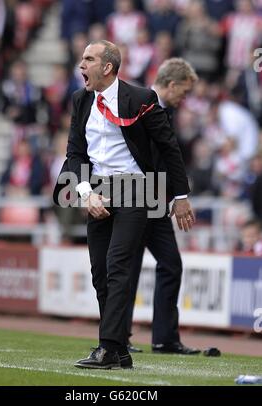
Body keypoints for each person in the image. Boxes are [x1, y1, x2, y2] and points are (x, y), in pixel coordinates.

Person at [53, 41, 195, 369]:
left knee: (118, 265)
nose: (81, 65)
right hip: (98, 190)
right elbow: (74, 152)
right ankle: (119, 350)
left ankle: (107, 347)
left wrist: (181, 196)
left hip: (136, 189)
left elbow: (168, 146)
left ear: (107, 67)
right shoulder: (80, 99)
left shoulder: (141, 98)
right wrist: (86, 192)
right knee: (100, 272)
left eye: (88, 59)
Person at [127, 58, 201, 355]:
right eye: (183, 91)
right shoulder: (139, 104)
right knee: (127, 270)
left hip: (156, 202)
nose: (185, 98)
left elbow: (164, 158)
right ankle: (117, 338)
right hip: (133, 199)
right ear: (171, 84)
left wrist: (173, 197)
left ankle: (164, 339)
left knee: (171, 263)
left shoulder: (164, 111)